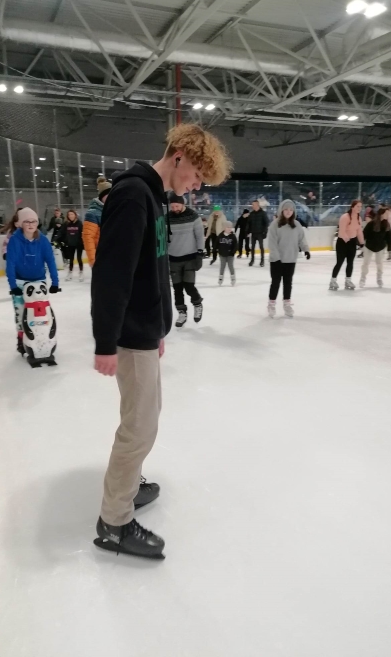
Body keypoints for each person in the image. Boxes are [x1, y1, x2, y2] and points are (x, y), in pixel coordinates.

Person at [91, 123, 231, 559]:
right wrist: (106, 341)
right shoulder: (134, 196)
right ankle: (114, 523)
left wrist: (158, 327)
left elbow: (151, 268)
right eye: (197, 176)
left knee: (144, 420)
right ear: (179, 156)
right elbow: (111, 274)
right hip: (130, 336)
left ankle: (128, 488)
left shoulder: (153, 196)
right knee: (139, 428)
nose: (196, 186)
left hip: (144, 332)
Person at [5, 207, 60, 355]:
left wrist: (55, 282)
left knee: (41, 312)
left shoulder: (42, 240)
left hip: (39, 282)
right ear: (21, 224)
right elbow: (10, 264)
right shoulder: (15, 240)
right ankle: (21, 339)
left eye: (34, 221)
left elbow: (50, 261)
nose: (31, 224)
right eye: (27, 221)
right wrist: (13, 286)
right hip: (20, 282)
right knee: (20, 313)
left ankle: (43, 337)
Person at [267, 199, 310, 318]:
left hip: (290, 259)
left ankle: (287, 304)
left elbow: (301, 239)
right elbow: (272, 243)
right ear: (281, 210)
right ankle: (271, 304)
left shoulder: (296, 225)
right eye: (286, 209)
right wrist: (276, 258)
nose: (288, 211)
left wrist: (306, 249)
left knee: (288, 283)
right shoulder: (274, 225)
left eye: (291, 210)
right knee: (275, 283)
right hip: (276, 260)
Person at [167, 192, 205, 328]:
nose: (174, 209)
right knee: (177, 289)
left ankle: (197, 303)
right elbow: (164, 238)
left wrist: (200, 254)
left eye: (177, 206)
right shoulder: (167, 218)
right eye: (172, 207)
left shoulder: (193, 216)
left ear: (182, 204)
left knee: (189, 286)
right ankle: (182, 312)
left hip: (190, 257)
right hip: (173, 259)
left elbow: (199, 236)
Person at [329, 199, 364, 291]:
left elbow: (359, 232)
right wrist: (347, 240)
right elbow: (342, 231)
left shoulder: (359, 219)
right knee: (339, 262)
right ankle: (333, 280)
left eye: (360, 206)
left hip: (352, 242)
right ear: (352, 207)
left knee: (350, 262)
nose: (359, 208)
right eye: (357, 206)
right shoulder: (345, 217)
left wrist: (362, 243)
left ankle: (348, 280)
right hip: (342, 243)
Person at [83, 177, 112, 267]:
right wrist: (93, 260)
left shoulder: (112, 210)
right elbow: (88, 237)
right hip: (100, 256)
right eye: (108, 195)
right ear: (102, 196)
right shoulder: (93, 213)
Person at [359, 207, 391, 288]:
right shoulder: (371, 224)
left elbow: (389, 238)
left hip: (380, 247)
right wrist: (361, 244)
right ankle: (362, 279)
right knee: (366, 263)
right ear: (381, 214)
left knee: (379, 263)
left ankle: (379, 278)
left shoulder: (387, 225)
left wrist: (389, 249)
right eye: (386, 213)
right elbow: (364, 234)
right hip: (369, 246)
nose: (388, 215)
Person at [59, 209, 84, 281]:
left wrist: (83, 242)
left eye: (72, 214)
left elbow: (83, 233)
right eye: (69, 215)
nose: (70, 216)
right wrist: (56, 239)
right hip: (70, 244)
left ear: (75, 215)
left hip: (79, 244)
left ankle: (81, 272)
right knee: (71, 259)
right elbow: (61, 232)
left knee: (79, 258)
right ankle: (70, 272)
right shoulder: (66, 224)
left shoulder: (79, 223)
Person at [248, 199, 269, 267]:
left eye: (253, 205)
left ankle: (262, 261)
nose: (252, 206)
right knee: (252, 247)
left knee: (261, 247)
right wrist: (247, 231)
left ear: (257, 205)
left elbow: (266, 223)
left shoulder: (263, 213)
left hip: (260, 233)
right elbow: (249, 223)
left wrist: (265, 232)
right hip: (253, 233)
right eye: (252, 205)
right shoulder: (252, 214)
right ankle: (252, 260)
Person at [217, 221, 237, 286]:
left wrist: (233, 252)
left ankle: (233, 278)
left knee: (230, 266)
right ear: (224, 228)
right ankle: (220, 278)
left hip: (230, 255)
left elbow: (236, 245)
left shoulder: (233, 236)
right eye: (228, 227)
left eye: (230, 227)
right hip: (222, 254)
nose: (229, 228)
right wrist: (218, 250)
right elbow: (216, 244)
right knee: (222, 266)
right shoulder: (220, 235)